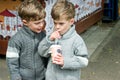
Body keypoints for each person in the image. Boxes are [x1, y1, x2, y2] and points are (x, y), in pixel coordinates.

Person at [38, 0, 89, 80]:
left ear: (71, 21)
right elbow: (41, 52)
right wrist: (49, 40)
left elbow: (84, 61)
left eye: (61, 23)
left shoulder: (76, 40)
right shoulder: (52, 36)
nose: (57, 27)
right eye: (55, 23)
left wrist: (65, 62)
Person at [6, 0, 47, 80]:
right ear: (25, 22)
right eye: (37, 23)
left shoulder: (43, 35)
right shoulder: (16, 40)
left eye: (42, 21)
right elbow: (12, 62)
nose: (41, 25)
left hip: (42, 76)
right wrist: (16, 77)